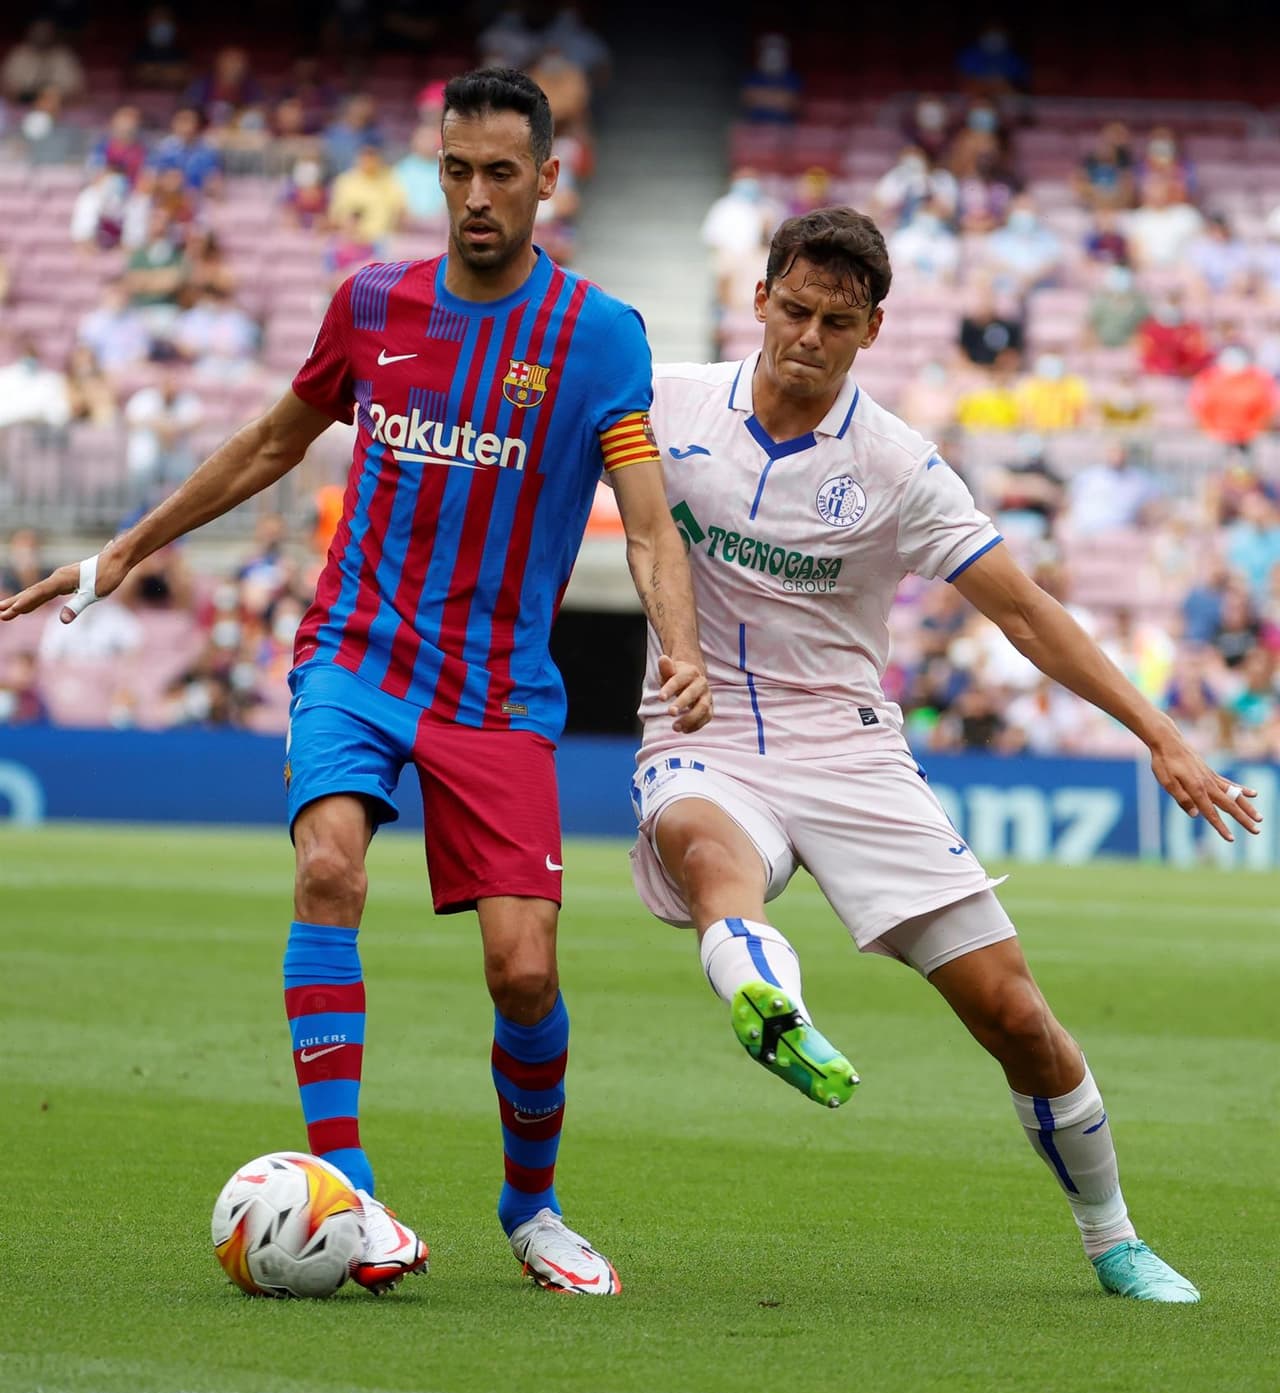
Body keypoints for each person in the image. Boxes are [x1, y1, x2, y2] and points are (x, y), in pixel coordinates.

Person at [1, 68, 711, 1298]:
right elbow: (272, 442)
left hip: (496, 690)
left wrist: (679, 646)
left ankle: (531, 1207)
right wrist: (120, 554)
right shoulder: (372, 303)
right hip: (356, 652)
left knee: (523, 972)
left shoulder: (599, 336)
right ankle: (348, 1189)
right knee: (327, 867)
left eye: (501, 173)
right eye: (456, 170)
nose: (476, 196)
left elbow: (646, 523)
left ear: (548, 179)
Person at [630, 207, 1261, 1303]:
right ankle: (771, 1005)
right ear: (759, 300)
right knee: (708, 854)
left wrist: (1160, 734)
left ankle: (1113, 1239)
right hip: (702, 728)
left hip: (848, 751)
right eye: (793, 310)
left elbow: (1024, 612)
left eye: (836, 322)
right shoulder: (663, 404)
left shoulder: (895, 465)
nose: (808, 337)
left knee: (1015, 1014)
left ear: (873, 329)